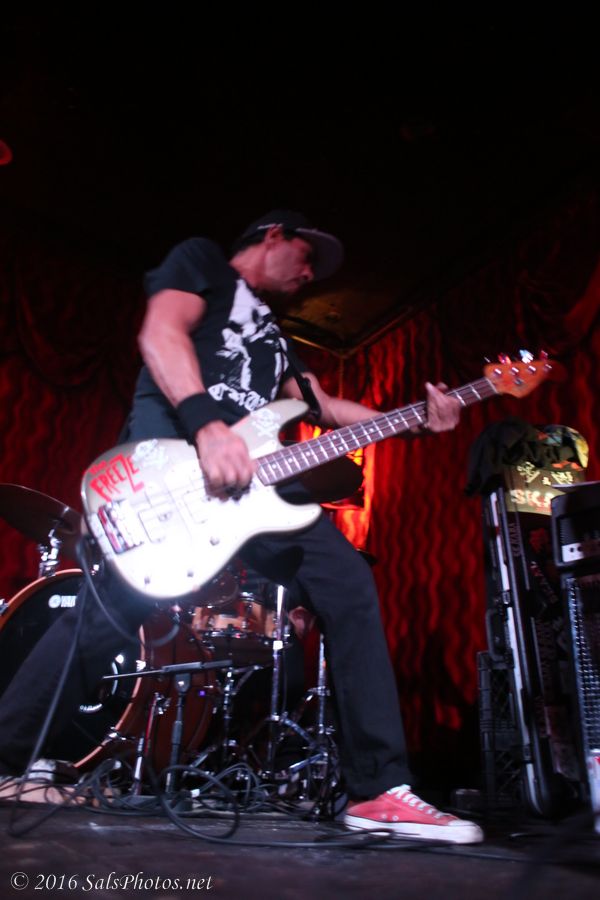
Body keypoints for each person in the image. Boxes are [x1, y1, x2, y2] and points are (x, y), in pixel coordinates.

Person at [0, 210, 483, 843]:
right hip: (171, 475)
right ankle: (5, 756)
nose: (310, 274)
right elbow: (161, 332)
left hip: (257, 491)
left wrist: (418, 417)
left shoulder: (276, 337)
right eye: (307, 256)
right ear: (273, 235)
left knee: (347, 581)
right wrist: (207, 424)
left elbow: (324, 406)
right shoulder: (201, 261)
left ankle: (378, 790)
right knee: (105, 616)